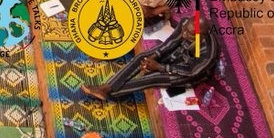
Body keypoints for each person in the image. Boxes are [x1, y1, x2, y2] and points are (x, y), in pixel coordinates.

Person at [82, 18, 220, 101]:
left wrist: (159, 67)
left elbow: (191, 72)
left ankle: (110, 92)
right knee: (143, 57)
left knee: (153, 77)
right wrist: (153, 58)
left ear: (201, 36)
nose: (184, 34)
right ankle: (106, 87)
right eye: (185, 29)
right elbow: (170, 43)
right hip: (175, 55)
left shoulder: (208, 52)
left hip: (187, 73)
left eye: (190, 34)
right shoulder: (186, 23)